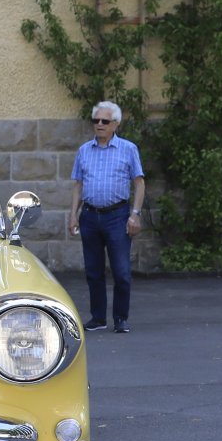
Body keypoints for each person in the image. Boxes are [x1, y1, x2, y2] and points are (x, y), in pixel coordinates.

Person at [67, 100, 145, 333]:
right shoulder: (84, 150)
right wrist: (73, 215)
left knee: (121, 272)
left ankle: (120, 318)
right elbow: (78, 185)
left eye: (105, 121)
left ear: (115, 124)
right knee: (93, 271)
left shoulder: (128, 149)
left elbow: (139, 184)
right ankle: (98, 318)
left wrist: (135, 215)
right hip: (90, 216)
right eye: (96, 120)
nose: (99, 124)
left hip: (117, 216)